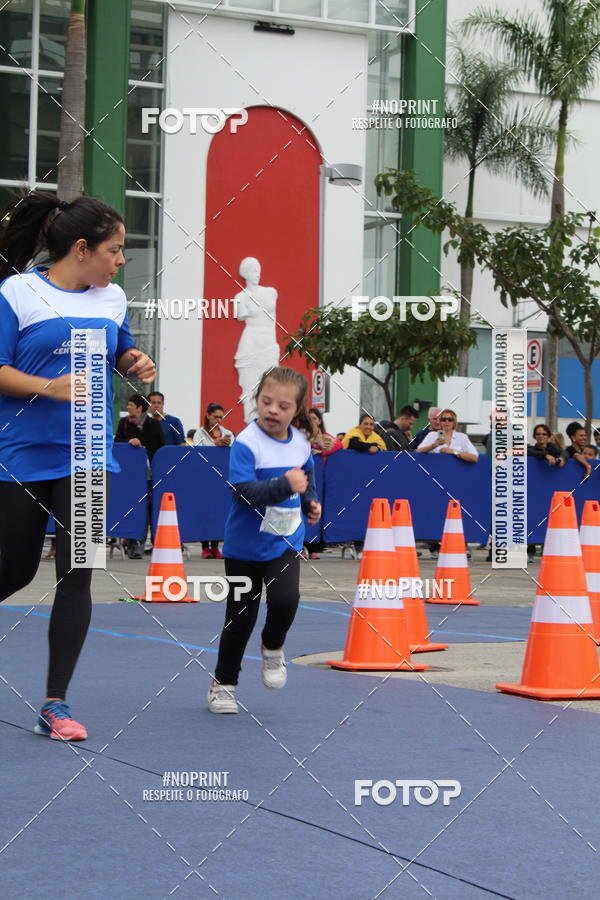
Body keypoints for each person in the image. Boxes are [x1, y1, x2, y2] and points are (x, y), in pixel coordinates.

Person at [0, 190, 155, 741]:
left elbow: (122, 351)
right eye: (115, 250)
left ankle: (55, 703)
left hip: (88, 454)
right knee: (16, 570)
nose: (121, 262)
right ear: (82, 249)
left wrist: (134, 361)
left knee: (77, 574)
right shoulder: (17, 291)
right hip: (21, 455)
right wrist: (51, 387)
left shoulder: (113, 298)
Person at [208, 366, 321, 713]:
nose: (273, 410)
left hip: (284, 543)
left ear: (296, 410)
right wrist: (285, 486)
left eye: (283, 406)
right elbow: (243, 493)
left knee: (286, 600)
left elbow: (306, 477)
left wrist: (309, 502)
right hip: (243, 548)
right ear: (256, 400)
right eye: (266, 401)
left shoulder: (300, 443)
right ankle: (224, 684)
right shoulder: (246, 443)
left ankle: (273, 647)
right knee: (240, 618)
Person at [417, 408, 477, 558]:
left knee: (458, 514)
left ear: (454, 422)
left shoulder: (462, 437)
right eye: (443, 419)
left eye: (450, 419)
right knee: (435, 513)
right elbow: (418, 451)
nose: (446, 422)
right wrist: (434, 445)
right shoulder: (432, 435)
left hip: (456, 482)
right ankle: (435, 547)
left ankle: (460, 545)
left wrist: (454, 453)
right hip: (436, 482)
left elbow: (474, 457)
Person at [115, 393, 165, 557]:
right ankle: (129, 542)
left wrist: (142, 445)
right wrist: (129, 444)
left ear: (140, 407)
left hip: (149, 476)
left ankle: (139, 544)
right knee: (130, 507)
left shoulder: (153, 424)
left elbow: (161, 447)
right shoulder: (123, 423)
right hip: (128, 476)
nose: (128, 407)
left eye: (131, 405)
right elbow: (118, 444)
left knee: (146, 509)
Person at [234, 257, 279, 423]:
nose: (257, 274)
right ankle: (251, 419)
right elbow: (241, 314)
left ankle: (270, 420)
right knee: (250, 384)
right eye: (254, 271)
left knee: (272, 383)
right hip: (251, 340)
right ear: (246, 273)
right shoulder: (240, 297)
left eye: (259, 271)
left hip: (268, 340)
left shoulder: (270, 292)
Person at [193, 402, 235, 558]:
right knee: (205, 511)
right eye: (216, 417)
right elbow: (197, 452)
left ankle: (216, 546)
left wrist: (226, 445)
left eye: (221, 417)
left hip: (222, 477)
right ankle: (205, 547)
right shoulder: (199, 433)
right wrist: (214, 445)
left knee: (219, 511)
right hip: (204, 478)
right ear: (208, 416)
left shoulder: (228, 433)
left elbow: (235, 452)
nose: (219, 420)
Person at [526, 424, 565, 562]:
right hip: (534, 490)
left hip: (551, 490)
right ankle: (530, 550)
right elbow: (530, 452)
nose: (541, 436)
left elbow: (565, 453)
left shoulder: (555, 449)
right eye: (538, 434)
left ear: (548, 436)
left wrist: (562, 459)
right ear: (534, 436)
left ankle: (547, 549)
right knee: (532, 517)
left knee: (549, 516)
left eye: (544, 434)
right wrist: (546, 455)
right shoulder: (532, 449)